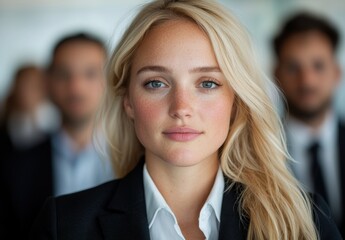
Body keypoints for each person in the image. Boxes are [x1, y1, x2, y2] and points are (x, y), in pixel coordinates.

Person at [30, 1, 341, 239]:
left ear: (235, 101)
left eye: (207, 83)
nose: (181, 108)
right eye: (156, 83)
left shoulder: (303, 219)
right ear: (127, 100)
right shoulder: (65, 225)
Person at [0, 33, 114, 239]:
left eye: (90, 74)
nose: (76, 87)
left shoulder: (136, 161)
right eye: (64, 74)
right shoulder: (13, 167)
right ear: (48, 82)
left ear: (110, 81)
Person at [273, 12, 344, 236]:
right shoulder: (254, 154)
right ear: (276, 75)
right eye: (293, 67)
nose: (307, 81)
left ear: (337, 73)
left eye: (318, 65)